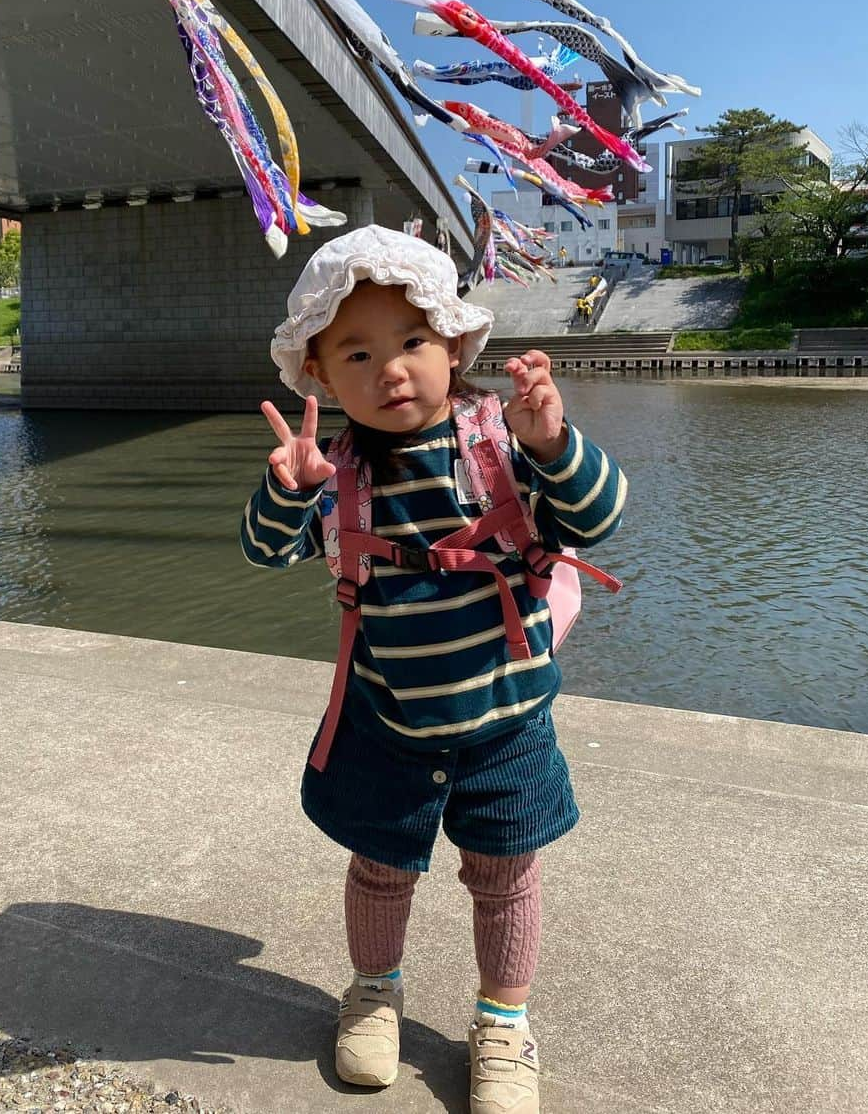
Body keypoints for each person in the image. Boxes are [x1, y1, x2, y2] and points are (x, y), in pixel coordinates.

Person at [241, 225, 627, 1113]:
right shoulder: (335, 472)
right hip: (387, 723)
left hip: (507, 722)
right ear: (320, 378)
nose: (392, 370)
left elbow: (600, 519)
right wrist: (287, 490)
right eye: (358, 353)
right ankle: (374, 992)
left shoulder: (499, 443)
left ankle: (502, 1022)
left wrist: (557, 446)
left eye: (413, 342)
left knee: (506, 878)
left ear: (454, 344)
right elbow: (263, 553)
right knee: (380, 868)